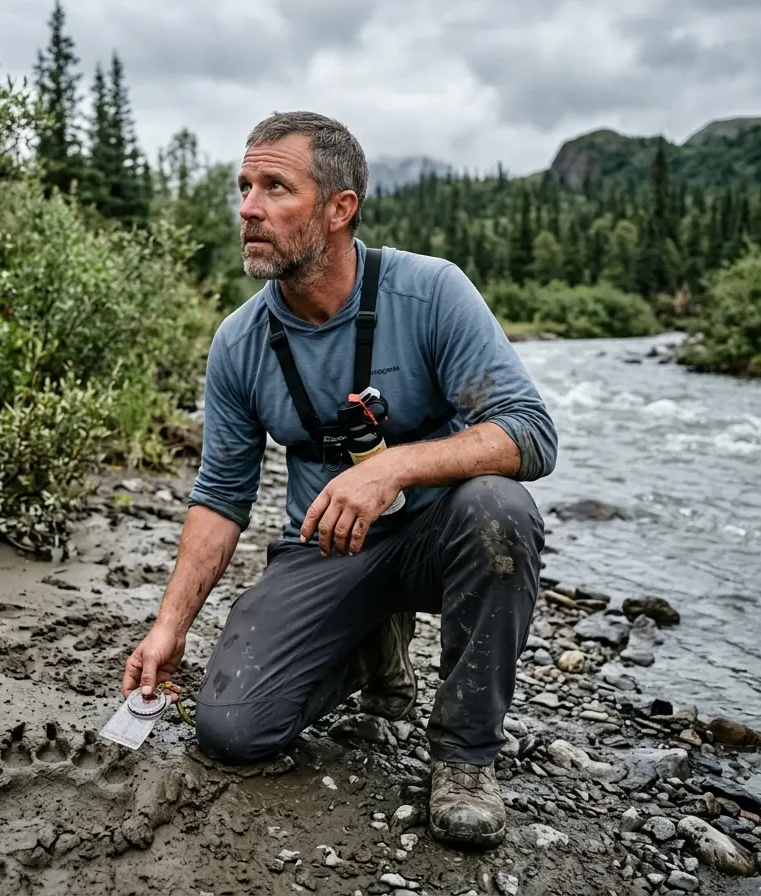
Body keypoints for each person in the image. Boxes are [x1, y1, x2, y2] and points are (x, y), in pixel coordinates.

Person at [121, 111, 557, 849]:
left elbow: (531, 433)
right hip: (325, 549)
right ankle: (369, 643)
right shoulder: (239, 343)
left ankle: (464, 756)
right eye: (244, 186)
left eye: (275, 187)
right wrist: (170, 626)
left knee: (500, 509)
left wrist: (394, 465)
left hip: (438, 538)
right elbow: (221, 497)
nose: (248, 208)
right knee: (232, 730)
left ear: (339, 208)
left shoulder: (431, 292)